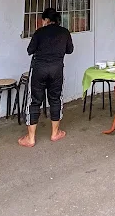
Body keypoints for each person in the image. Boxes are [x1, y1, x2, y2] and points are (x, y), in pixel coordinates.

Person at [18, 8, 74, 147]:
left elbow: (29, 50)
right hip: (56, 70)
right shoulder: (64, 32)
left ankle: (30, 138)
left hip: (39, 70)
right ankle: (55, 133)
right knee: (55, 99)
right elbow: (70, 50)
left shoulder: (39, 32)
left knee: (34, 101)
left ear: (46, 20)